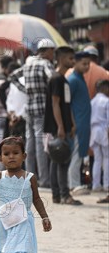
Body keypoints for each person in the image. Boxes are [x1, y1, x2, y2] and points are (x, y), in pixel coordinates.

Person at [10, 39, 56, 188]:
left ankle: (29, 177)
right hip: (42, 109)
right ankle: (43, 179)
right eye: (52, 51)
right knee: (40, 144)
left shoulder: (28, 64)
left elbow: (13, 76)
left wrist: (26, 90)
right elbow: (53, 78)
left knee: (29, 143)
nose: (53, 54)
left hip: (29, 108)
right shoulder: (45, 64)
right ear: (47, 50)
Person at [43, 46, 81, 205]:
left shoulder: (64, 79)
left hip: (64, 125)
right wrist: (60, 126)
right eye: (70, 58)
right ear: (61, 59)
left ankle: (58, 195)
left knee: (56, 159)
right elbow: (55, 104)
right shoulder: (56, 79)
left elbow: (67, 104)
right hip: (56, 126)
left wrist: (71, 123)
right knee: (61, 159)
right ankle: (64, 194)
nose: (73, 61)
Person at [68, 52, 92, 195]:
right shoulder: (73, 80)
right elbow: (67, 104)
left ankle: (75, 183)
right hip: (77, 123)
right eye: (84, 63)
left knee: (80, 153)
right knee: (76, 154)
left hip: (83, 122)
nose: (87, 66)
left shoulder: (80, 78)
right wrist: (72, 123)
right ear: (75, 62)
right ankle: (74, 184)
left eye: (88, 63)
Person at [0, 56, 15, 169]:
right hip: (9, 118)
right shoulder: (9, 83)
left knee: (0, 144)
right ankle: (9, 168)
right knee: (11, 144)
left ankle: (0, 169)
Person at [90, 79, 109, 192]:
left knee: (97, 159)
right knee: (107, 158)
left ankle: (95, 185)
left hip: (94, 131)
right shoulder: (106, 101)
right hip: (104, 130)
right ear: (105, 88)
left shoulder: (92, 102)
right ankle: (107, 184)